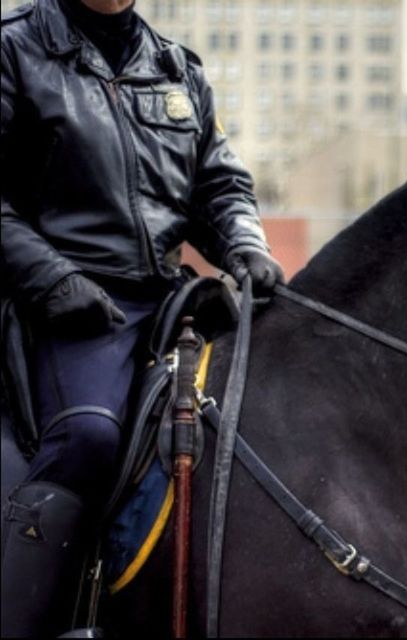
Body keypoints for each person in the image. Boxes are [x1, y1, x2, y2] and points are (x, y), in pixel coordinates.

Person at [0, 0, 285, 635]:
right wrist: (53, 277)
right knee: (90, 439)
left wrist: (246, 245)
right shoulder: (14, 48)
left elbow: (220, 185)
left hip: (169, 302)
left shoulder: (176, 68)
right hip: (63, 306)